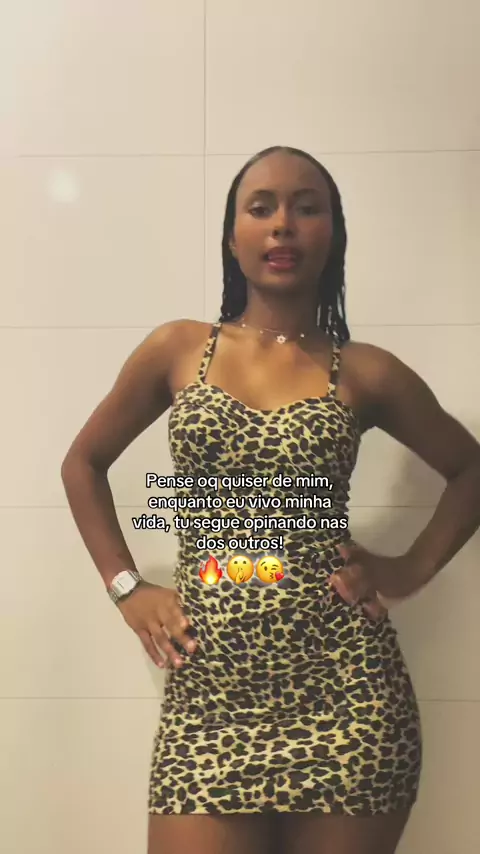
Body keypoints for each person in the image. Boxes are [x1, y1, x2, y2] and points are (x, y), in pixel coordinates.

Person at [61, 145, 480, 854]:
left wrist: (405, 570)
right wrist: (127, 587)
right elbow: (83, 463)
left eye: (306, 208)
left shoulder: (367, 371)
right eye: (261, 208)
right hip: (210, 701)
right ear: (232, 238)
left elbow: (470, 469)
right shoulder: (178, 348)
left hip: (348, 701)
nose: (283, 224)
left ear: (333, 235)